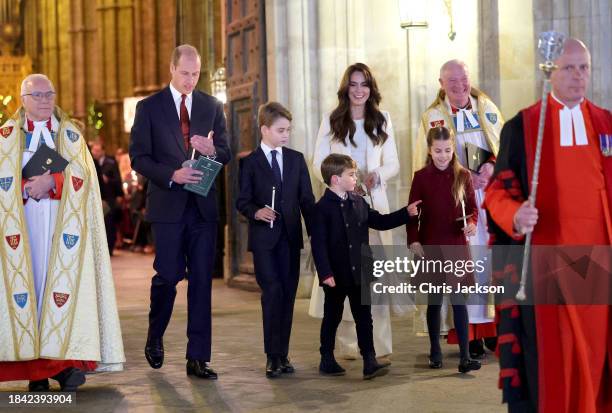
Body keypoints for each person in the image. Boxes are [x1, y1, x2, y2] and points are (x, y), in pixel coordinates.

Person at [484, 38, 611, 413]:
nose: (578, 76)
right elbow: (496, 194)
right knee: (554, 358)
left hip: (599, 269)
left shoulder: (606, 123)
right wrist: (516, 215)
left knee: (595, 356)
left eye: (583, 67)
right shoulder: (522, 127)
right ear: (550, 71)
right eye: (569, 67)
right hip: (546, 269)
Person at [0, 74, 124, 391]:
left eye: (49, 94)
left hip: (61, 231)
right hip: (23, 232)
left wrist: (52, 183)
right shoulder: (6, 137)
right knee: (31, 297)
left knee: (58, 297)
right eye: (37, 95)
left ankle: (61, 365)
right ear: (22, 99)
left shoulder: (68, 136)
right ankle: (37, 372)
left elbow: (85, 178)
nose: (44, 100)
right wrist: (26, 188)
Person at [129, 44, 231, 379]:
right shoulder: (148, 108)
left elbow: (226, 152)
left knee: (202, 282)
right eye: (185, 73)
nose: (190, 80)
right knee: (168, 276)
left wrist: (212, 149)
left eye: (196, 74)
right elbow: (139, 158)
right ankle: (155, 335)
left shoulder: (212, 106)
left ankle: (198, 358)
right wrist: (171, 175)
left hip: (203, 208)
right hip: (168, 207)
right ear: (172, 69)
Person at [310, 62, 403, 359]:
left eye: (364, 84)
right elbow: (318, 162)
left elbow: (393, 162)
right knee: (344, 272)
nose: (359, 90)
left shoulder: (383, 119)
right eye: (353, 84)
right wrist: (340, 183)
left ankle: (378, 344)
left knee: (372, 275)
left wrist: (378, 174)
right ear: (346, 88)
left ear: (371, 88)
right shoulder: (332, 120)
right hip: (340, 206)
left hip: (372, 203)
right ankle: (349, 346)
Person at [414, 60, 502, 357]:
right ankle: (470, 335)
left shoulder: (486, 106)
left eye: (463, 79)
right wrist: (464, 177)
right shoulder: (433, 117)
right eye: (451, 81)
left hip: (488, 199)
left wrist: (490, 168)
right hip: (456, 201)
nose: (459, 85)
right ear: (441, 83)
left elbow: (502, 146)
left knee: (489, 260)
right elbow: (425, 164)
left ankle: (492, 329)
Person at [311, 154, 420, 379]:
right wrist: (325, 273)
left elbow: (379, 222)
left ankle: (369, 359)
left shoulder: (359, 202)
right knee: (333, 315)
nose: (356, 178)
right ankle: (326, 358)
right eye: (351, 175)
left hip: (360, 269)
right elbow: (319, 245)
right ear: (335, 180)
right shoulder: (322, 208)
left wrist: (405, 214)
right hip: (336, 274)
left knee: (364, 316)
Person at [236, 102, 315, 378]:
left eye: (289, 130)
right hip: (264, 242)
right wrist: (256, 211)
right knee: (272, 294)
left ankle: (283, 354)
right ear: (264, 129)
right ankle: (272, 356)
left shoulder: (296, 159)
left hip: (290, 240)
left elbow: (307, 200)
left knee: (288, 297)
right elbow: (242, 201)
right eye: (281, 130)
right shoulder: (250, 163)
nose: (286, 135)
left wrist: (317, 233)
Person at [407, 126, 482, 373]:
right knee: (435, 302)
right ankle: (435, 352)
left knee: (459, 302)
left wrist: (471, 224)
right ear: (429, 150)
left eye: (447, 150)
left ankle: (465, 356)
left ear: (453, 149)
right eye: (438, 151)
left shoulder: (463, 176)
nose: (443, 155)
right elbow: (412, 213)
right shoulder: (421, 177)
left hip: (457, 246)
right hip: (431, 246)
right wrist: (413, 239)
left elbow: (473, 208)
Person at [91, 141, 124, 255]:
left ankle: (109, 248)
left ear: (103, 151)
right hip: (97, 196)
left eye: (97, 150)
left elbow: (117, 178)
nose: (95, 152)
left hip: (110, 197)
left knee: (109, 223)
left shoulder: (111, 162)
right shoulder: (91, 161)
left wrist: (120, 194)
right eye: (93, 150)